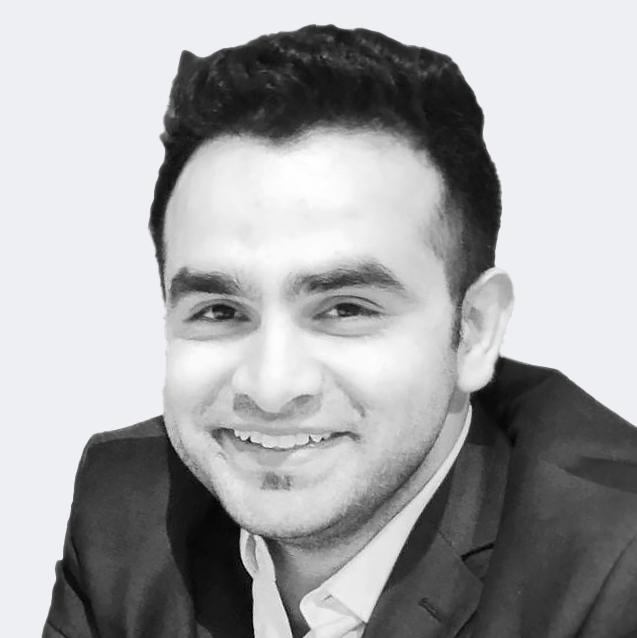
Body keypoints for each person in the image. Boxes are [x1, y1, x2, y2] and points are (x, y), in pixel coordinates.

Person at [44, 24, 637, 638]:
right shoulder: (127, 508)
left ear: (475, 331)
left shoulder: (615, 571)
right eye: (220, 311)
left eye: (346, 309)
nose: (272, 388)